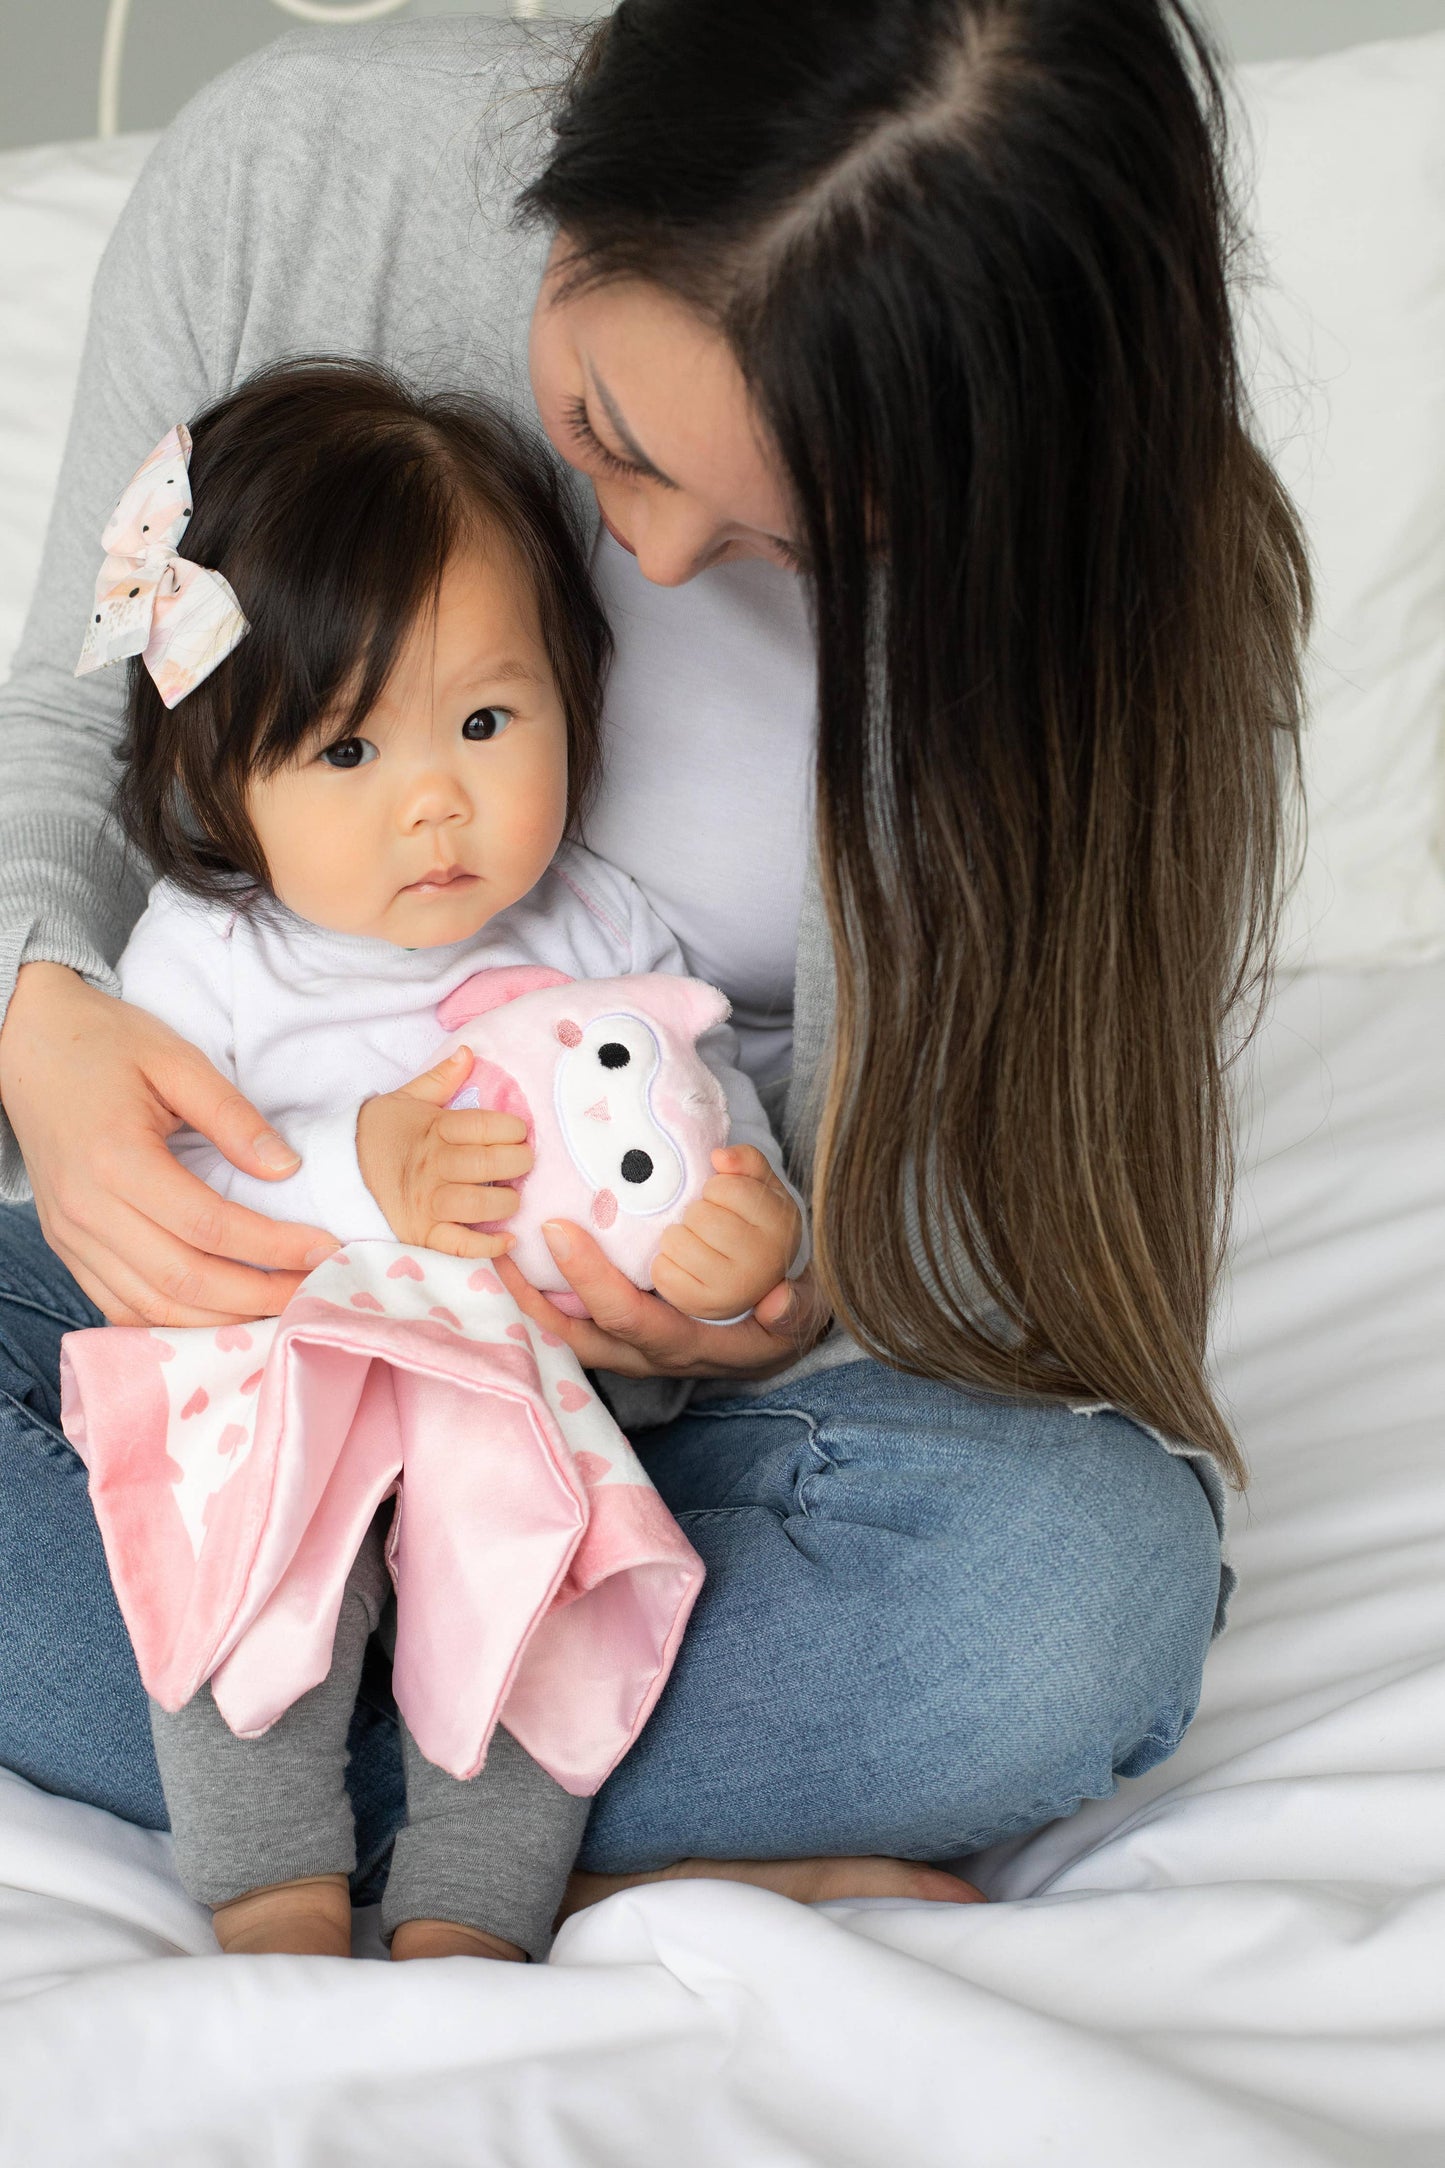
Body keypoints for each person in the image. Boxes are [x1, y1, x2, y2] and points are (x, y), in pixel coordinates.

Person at [0, 0, 1307, 1918]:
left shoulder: (1113, 584)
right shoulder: (297, 180)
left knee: (1065, 1605)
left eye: (803, 542)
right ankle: (557, 1815)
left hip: (679, 1411)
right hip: (250, 1300)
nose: (664, 559)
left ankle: (354, 1776)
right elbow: (74, 718)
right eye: (606, 430)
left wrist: (766, 1300)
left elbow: (988, 1271)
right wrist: (40, 1013)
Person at [70, 356, 799, 1958]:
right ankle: (276, 1893)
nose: (437, 805)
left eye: (484, 718)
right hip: (296, 1404)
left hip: (534, 1414)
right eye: (347, 752)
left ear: (571, 691)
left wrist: (748, 1256)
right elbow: (163, 1203)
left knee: (541, 1596)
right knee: (246, 1583)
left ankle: (475, 1910)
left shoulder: (603, 924)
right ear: (217, 773)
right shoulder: (213, 957)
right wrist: (350, 1173)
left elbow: (693, 1130)